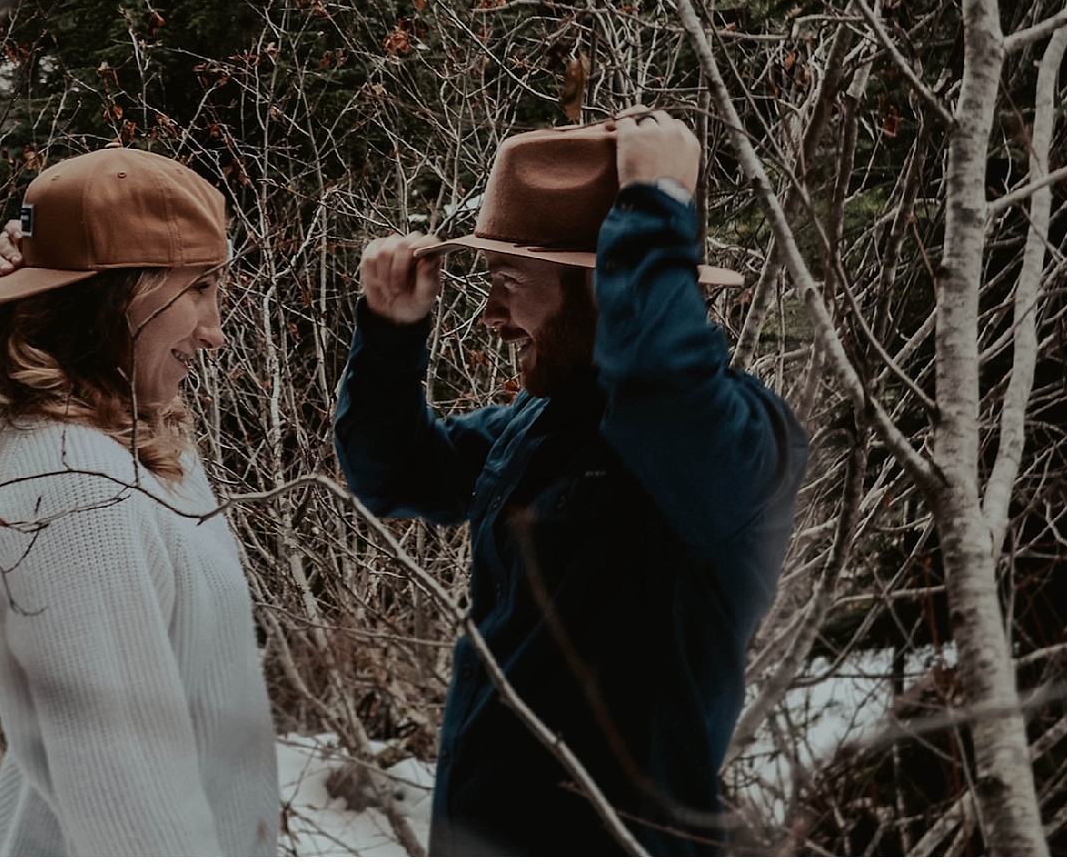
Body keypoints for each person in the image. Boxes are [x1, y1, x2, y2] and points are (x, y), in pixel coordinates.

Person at [336, 111, 809, 855]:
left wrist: (654, 206)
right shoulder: (545, 424)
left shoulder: (737, 442)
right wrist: (391, 334)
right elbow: (396, 472)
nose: (490, 316)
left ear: (604, 286)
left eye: (509, 282)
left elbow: (661, 393)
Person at [0, 145, 279, 856]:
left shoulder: (134, 435)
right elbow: (127, 805)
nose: (215, 332)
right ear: (115, 295)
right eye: (198, 289)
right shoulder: (69, 482)